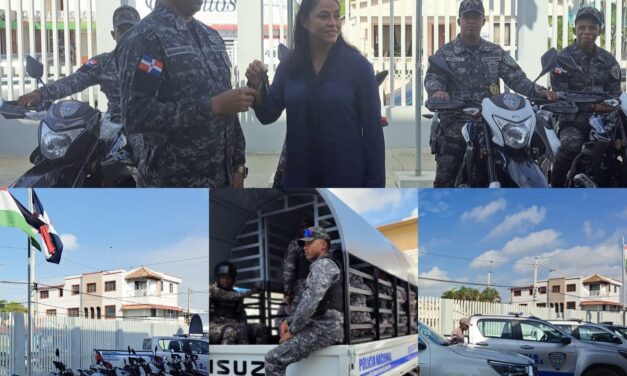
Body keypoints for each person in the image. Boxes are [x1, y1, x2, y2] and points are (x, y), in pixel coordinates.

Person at [246, 0, 385, 188]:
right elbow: (268, 114)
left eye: (337, 16)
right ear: (304, 21)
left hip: (346, 179)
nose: (333, 23)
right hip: (298, 179)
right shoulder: (289, 67)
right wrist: (257, 85)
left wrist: (375, 188)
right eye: (324, 16)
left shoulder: (359, 67)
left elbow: (373, 133)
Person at [116, 0, 255, 188]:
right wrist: (211, 106)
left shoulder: (211, 37)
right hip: (173, 189)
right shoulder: (146, 39)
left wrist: (238, 165)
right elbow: (136, 114)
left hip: (222, 183)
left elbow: (228, 105)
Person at [424, 0, 553, 188]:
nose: (471, 21)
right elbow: (434, 76)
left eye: (476, 17)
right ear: (459, 21)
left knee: (520, 153)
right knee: (447, 171)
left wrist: (540, 91)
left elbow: (516, 78)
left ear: (483, 21)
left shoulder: (495, 52)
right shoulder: (446, 53)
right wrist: (438, 92)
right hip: (457, 118)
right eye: (467, 17)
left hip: (492, 121)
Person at [17, 6, 140, 123]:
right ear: (113, 35)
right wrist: (41, 93)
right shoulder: (103, 63)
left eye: (131, 30)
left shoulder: (152, 62)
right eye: (122, 31)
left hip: (147, 132)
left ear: (140, 33)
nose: (127, 35)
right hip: (114, 130)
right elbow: (73, 81)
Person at [549, 7, 623, 187]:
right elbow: (562, 95)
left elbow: (614, 92)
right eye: (582, 28)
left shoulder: (608, 59)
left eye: (592, 27)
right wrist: (592, 107)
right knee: (571, 146)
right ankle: (555, 188)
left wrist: (606, 107)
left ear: (599, 30)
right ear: (575, 30)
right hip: (572, 118)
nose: (587, 32)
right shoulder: (562, 58)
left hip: (605, 118)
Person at [266, 227, 344, 376]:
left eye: (310, 243)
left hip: (325, 329)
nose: (305, 247)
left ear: (323, 245)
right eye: (304, 244)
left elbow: (311, 301)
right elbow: (313, 305)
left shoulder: (323, 265)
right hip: (322, 325)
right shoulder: (321, 265)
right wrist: (288, 321)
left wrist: (293, 330)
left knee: (273, 359)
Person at [209, 261, 269, 345]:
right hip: (213, 326)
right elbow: (227, 296)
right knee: (230, 332)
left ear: (233, 279)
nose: (226, 280)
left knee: (261, 328)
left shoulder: (236, 295)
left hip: (234, 324)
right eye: (223, 277)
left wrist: (243, 326)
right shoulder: (212, 290)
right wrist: (251, 292)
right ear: (218, 278)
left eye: (228, 278)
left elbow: (241, 314)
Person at [282, 217, 314, 311]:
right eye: (303, 227)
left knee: (298, 315)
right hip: (310, 284)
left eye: (307, 227)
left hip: (302, 285)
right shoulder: (317, 243)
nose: (305, 229)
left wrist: (287, 292)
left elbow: (289, 269)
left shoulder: (295, 244)